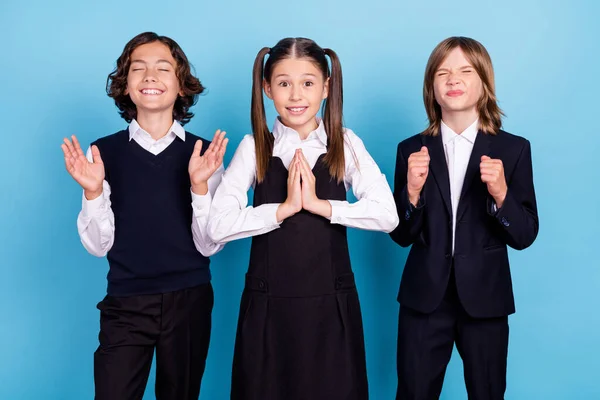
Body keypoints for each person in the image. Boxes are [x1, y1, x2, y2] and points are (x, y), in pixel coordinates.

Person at [208, 37, 398, 400]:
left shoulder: (344, 143)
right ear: (266, 88)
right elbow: (217, 225)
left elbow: (387, 215)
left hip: (331, 304)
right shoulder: (255, 146)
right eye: (283, 83)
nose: (296, 95)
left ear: (327, 87)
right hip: (268, 305)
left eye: (308, 83)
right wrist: (283, 210)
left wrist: (319, 205)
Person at [60, 31, 227, 400]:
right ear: (125, 85)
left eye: (163, 68)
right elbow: (98, 245)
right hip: (126, 302)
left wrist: (199, 185)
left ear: (182, 86)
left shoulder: (205, 155)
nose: (150, 76)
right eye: (139, 69)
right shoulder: (103, 153)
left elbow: (211, 244)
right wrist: (92, 190)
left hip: (190, 300)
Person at [390, 36, 539, 399]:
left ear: (484, 82)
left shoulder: (513, 148)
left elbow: (525, 234)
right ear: (432, 88)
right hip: (424, 299)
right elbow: (401, 233)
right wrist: (411, 192)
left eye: (464, 71)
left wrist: (501, 194)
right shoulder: (410, 149)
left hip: (486, 299)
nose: (453, 80)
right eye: (443, 73)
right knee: (413, 392)